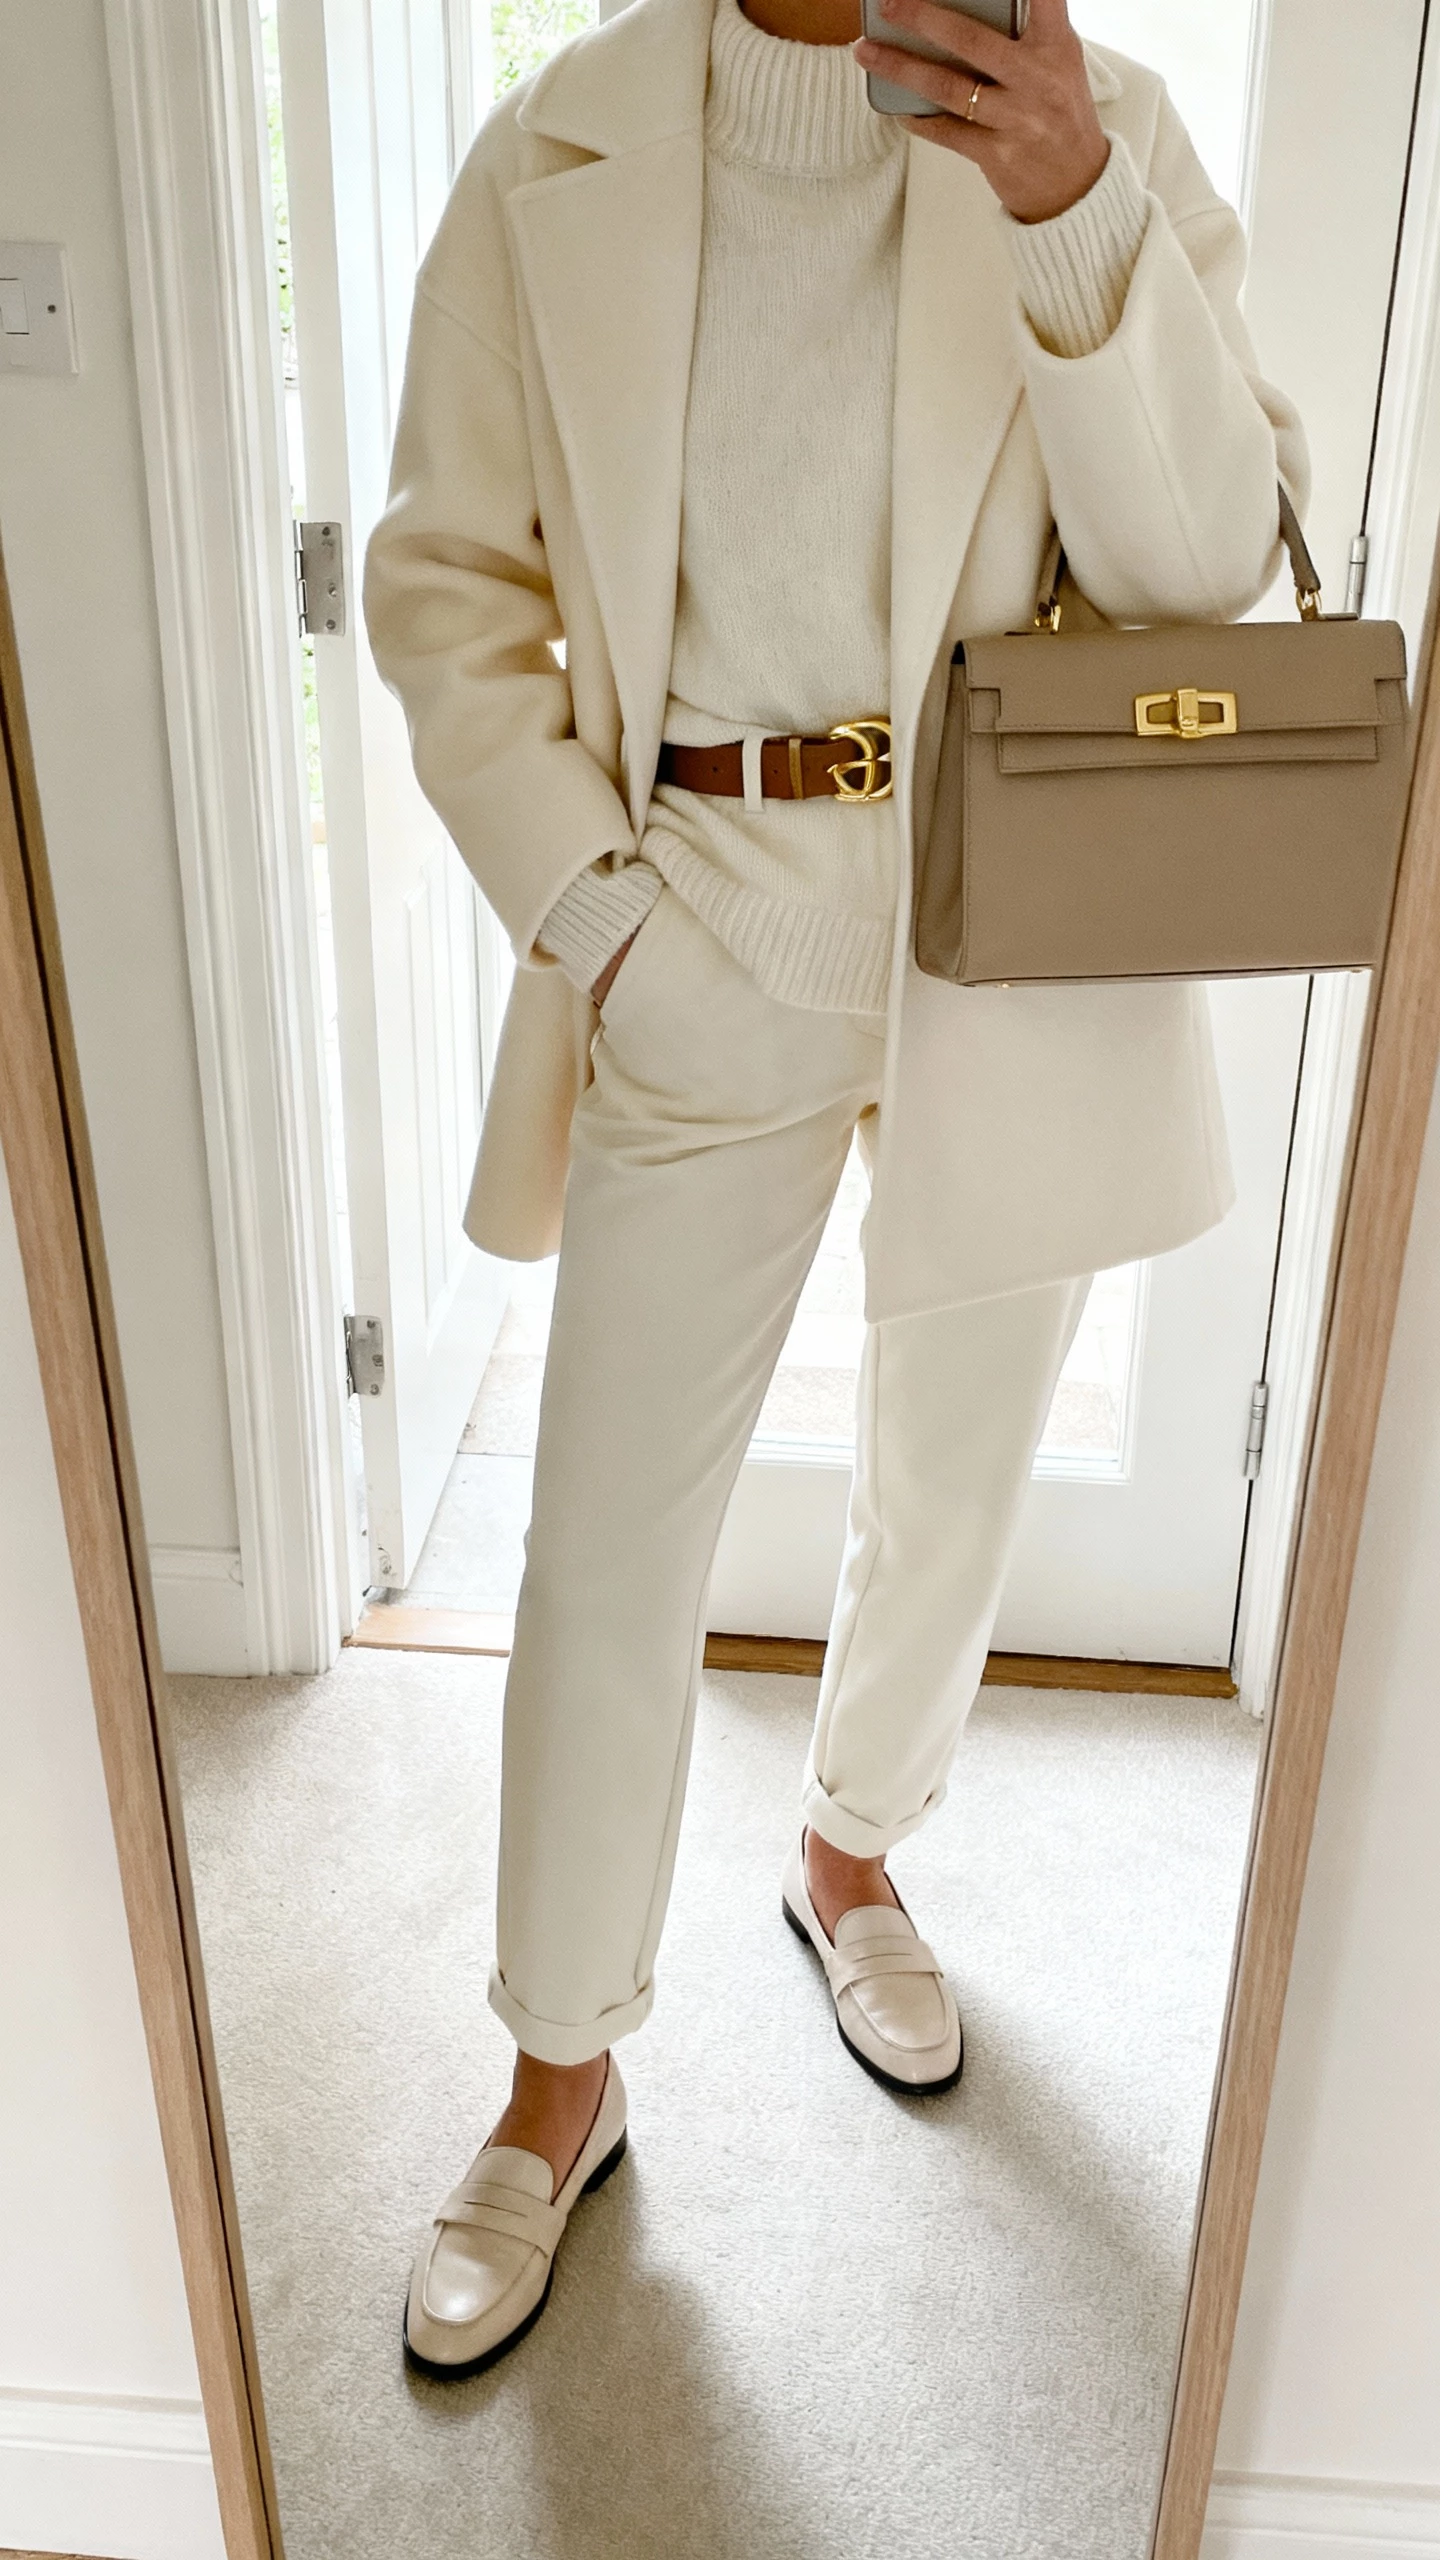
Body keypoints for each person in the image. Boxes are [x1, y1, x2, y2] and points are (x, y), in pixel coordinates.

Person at [365, 0, 1306, 2378]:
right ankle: (558, 2066)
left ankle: (853, 1843)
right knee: (605, 1542)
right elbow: (445, 583)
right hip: (698, 920)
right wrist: (603, 922)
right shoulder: (558, 144)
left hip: (1013, 926)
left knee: (957, 1474)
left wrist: (1071, 203)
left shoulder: (1100, 130)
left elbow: (1214, 566)